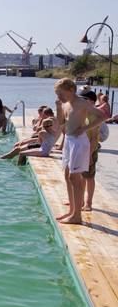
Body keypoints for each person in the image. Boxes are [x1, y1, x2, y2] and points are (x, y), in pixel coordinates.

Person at [54, 78, 106, 224]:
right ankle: (72, 211)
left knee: (74, 177)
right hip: (69, 141)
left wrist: (84, 128)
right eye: (57, 94)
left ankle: (77, 216)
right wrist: (59, 107)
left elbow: (103, 116)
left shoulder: (82, 103)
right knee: (67, 175)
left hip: (79, 142)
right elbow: (61, 123)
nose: (59, 97)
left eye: (60, 94)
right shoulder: (65, 104)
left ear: (71, 90)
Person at [82, 90, 101, 211]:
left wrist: (89, 155)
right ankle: (79, 199)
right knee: (80, 176)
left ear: (91, 102)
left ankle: (88, 203)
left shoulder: (94, 116)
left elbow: (94, 138)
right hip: (81, 149)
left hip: (90, 149)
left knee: (89, 177)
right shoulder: (84, 113)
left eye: (84, 100)